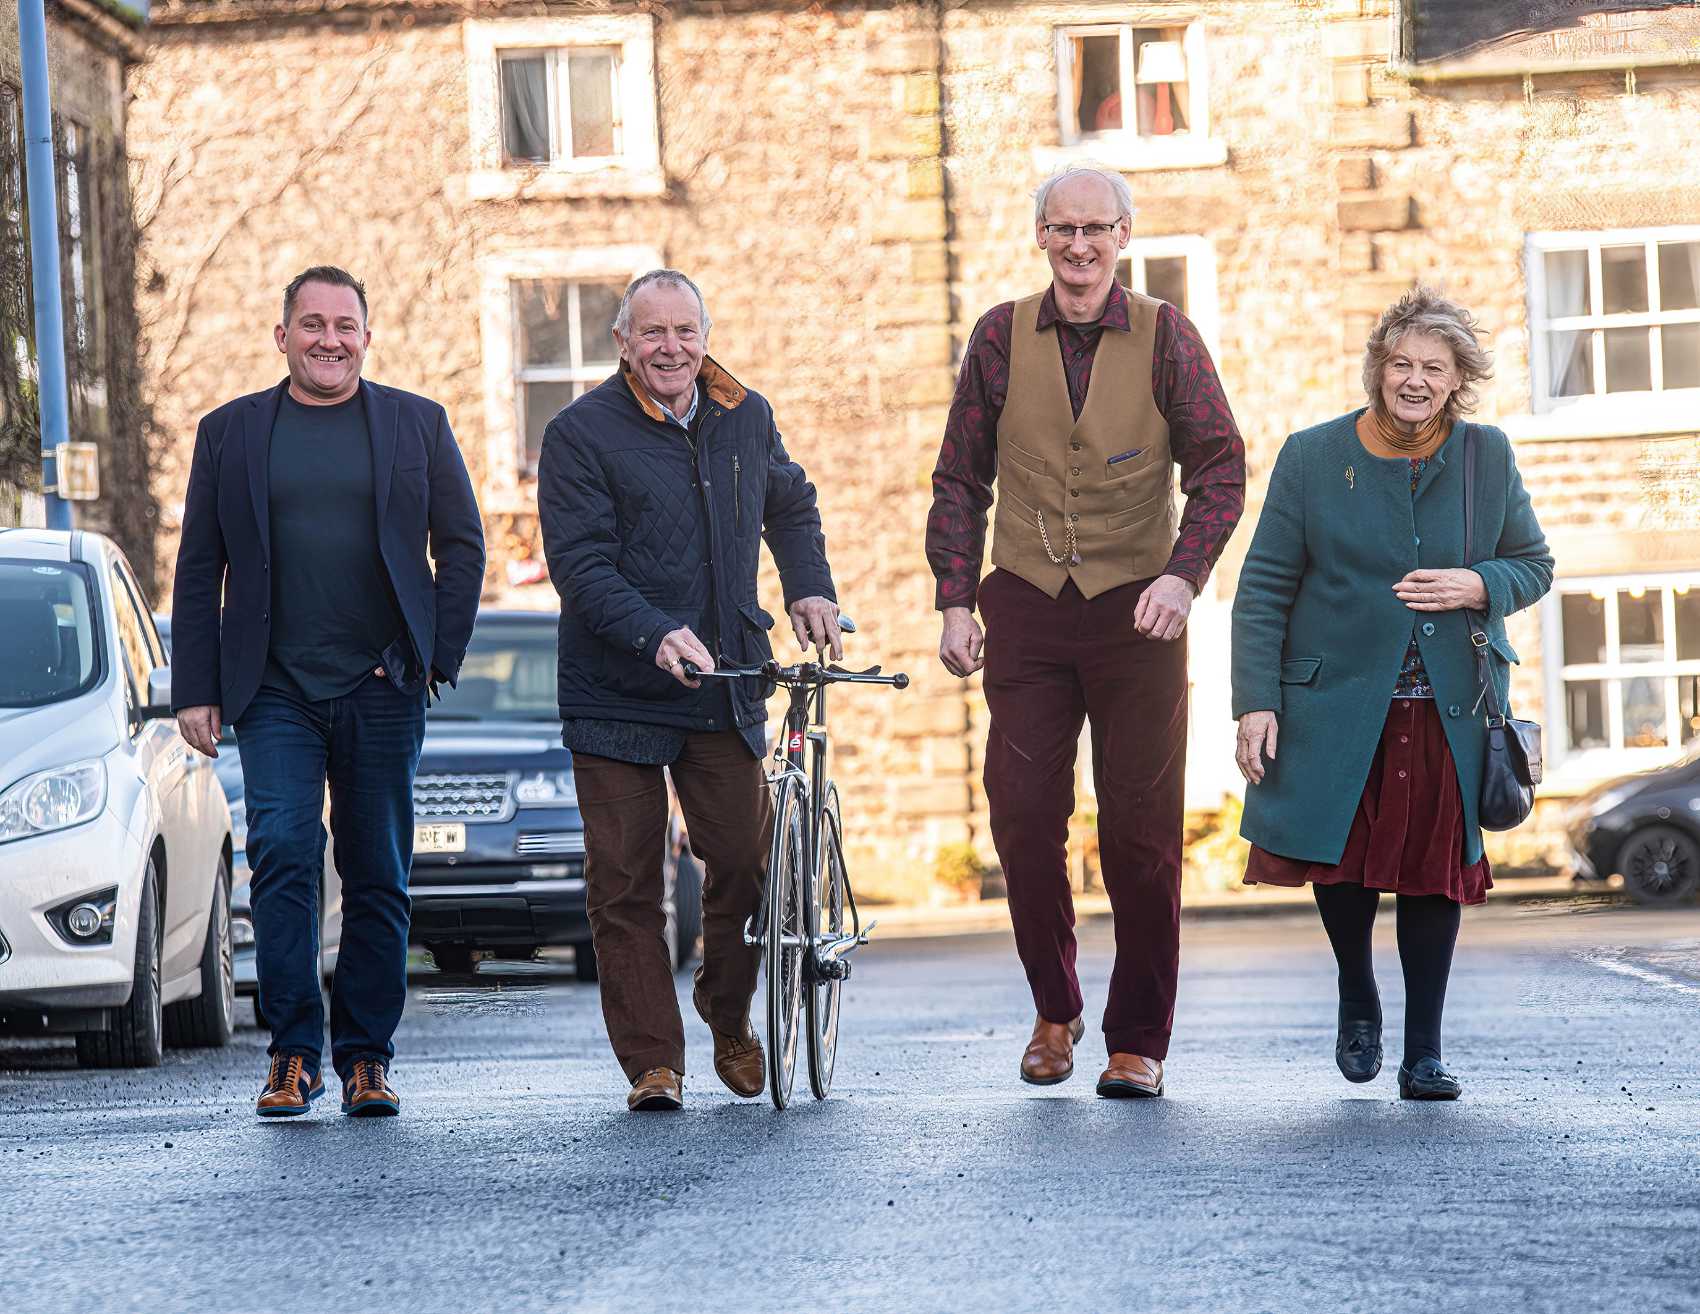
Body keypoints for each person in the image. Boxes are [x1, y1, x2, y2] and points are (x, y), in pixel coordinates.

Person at [926, 164, 1246, 1098]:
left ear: (1124, 235)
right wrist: (955, 596)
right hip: (1023, 600)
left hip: (1138, 608)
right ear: (1039, 236)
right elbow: (959, 476)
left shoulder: (1165, 335)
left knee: (1141, 834)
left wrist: (1184, 579)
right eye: (1062, 229)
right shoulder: (998, 334)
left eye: (1096, 229)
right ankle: (1054, 1010)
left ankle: (1137, 1039)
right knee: (1024, 816)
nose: (1079, 246)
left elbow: (1221, 466)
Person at [171, 266, 485, 1118]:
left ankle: (367, 1058)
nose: (328, 340)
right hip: (272, 687)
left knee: (377, 871)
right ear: (282, 337)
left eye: (344, 325)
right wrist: (194, 687)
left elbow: (462, 547)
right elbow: (200, 566)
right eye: (311, 324)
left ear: (367, 337)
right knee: (282, 857)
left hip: (381, 684)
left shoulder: (417, 425)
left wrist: (428, 657)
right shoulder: (231, 433)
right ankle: (293, 1054)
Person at [1231, 287, 1553, 1100]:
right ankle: (1357, 992)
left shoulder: (1487, 455)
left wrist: (1476, 583)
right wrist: (1255, 701)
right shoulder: (1310, 455)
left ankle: (1425, 1053)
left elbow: (1535, 565)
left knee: (1433, 874)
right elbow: (1265, 585)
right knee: (1343, 866)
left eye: (1433, 369)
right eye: (1402, 363)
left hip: (1449, 709)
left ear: (1456, 380)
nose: (1415, 380)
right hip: (1336, 703)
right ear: (1378, 368)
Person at [537, 269, 841, 1112]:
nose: (670, 348)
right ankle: (653, 1064)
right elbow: (580, 565)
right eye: (652, 333)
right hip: (615, 696)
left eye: (685, 332)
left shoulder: (747, 416)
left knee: (742, 862)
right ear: (623, 343)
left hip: (723, 685)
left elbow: (792, 504)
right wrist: (652, 631)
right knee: (627, 885)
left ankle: (727, 1013)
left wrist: (808, 585)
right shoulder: (579, 434)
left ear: (704, 334)